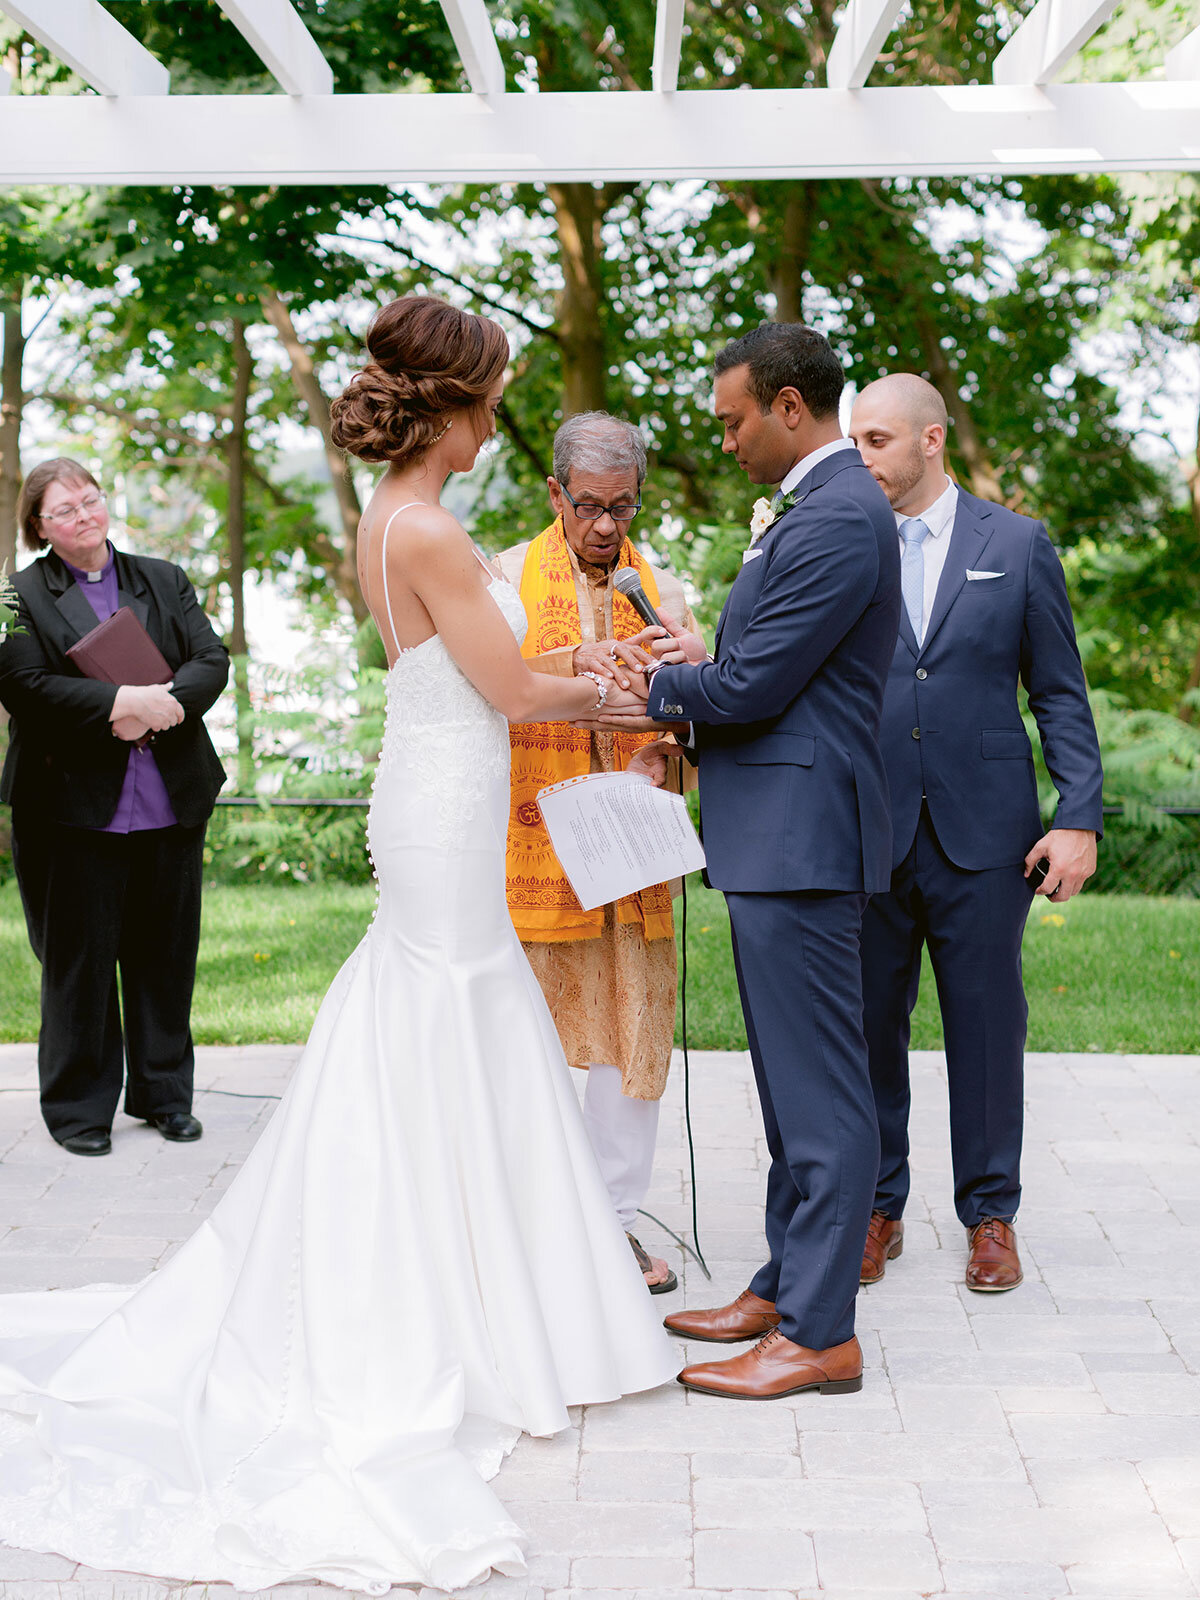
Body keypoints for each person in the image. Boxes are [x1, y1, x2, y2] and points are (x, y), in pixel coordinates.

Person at [0, 296, 677, 1592]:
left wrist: (603, 662)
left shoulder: (404, 519)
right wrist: (626, 673)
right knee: (450, 1013)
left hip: (444, 798)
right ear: (456, 407)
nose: (499, 418)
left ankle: (484, 1287)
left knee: (452, 1022)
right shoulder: (422, 524)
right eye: (493, 397)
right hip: (441, 808)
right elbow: (520, 689)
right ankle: (443, 1304)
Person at [599, 322, 901, 1400]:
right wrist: (705, 662)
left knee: (822, 1093)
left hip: (806, 835)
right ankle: (784, 1284)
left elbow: (758, 692)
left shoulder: (837, 515)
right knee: (789, 1086)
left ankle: (820, 1333)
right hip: (781, 829)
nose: (723, 440)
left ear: (785, 406)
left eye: (732, 420)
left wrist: (664, 688)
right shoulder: (817, 511)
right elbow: (770, 670)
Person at [849, 373, 1103, 1292]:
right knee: (871, 1025)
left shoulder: (1018, 544)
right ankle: (877, 1206)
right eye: (855, 440)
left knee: (988, 1027)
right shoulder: (847, 540)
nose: (861, 457)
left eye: (877, 440)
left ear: (929, 441)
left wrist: (1078, 815)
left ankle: (991, 1214)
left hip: (987, 835)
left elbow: (1061, 694)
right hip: (870, 825)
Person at [496, 411, 704, 1295]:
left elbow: (693, 706)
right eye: (588, 505)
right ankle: (531, 1219)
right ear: (555, 494)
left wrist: (670, 740)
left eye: (623, 505)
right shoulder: (503, 578)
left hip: (630, 856)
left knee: (632, 1041)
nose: (607, 525)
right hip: (531, 850)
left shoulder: (665, 589)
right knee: (529, 1040)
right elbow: (484, 699)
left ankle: (612, 1223)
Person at [0, 460, 229, 1157]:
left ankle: (165, 1095)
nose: (83, 516)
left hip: (169, 801)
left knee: (165, 958)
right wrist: (119, 705)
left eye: (90, 500)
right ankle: (78, 1112)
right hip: (70, 810)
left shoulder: (162, 577)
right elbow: (23, 685)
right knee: (81, 965)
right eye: (64, 510)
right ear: (38, 525)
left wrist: (158, 709)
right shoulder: (16, 594)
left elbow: (209, 660)